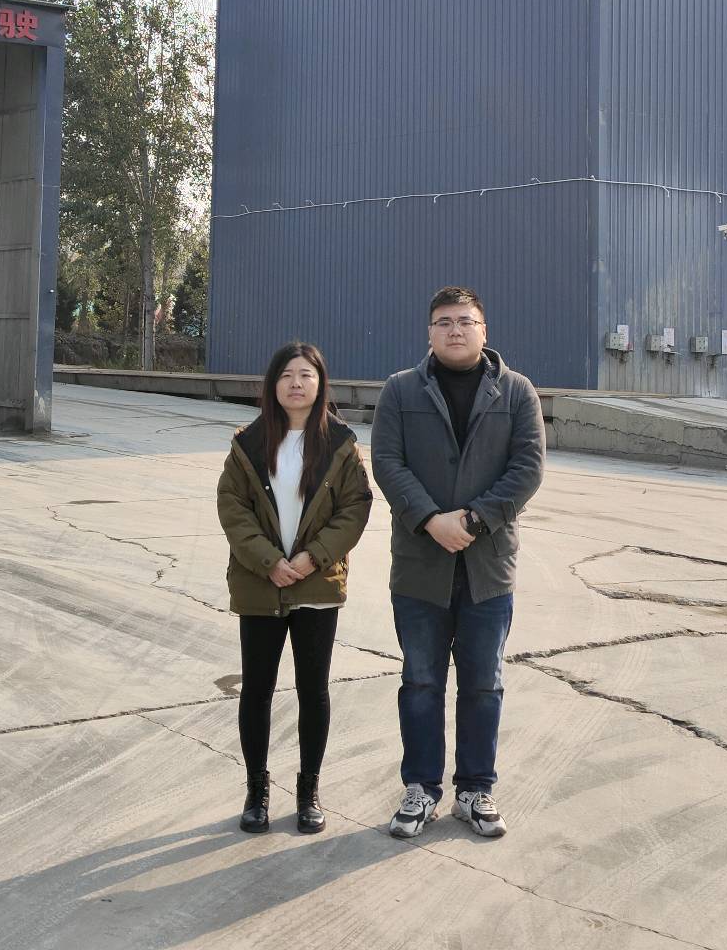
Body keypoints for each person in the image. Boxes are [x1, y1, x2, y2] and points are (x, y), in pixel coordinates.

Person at [371, 286, 545, 839]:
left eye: (465, 321)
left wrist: (473, 520)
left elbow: (527, 468)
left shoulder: (517, 392)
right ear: (429, 332)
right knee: (421, 681)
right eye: (444, 322)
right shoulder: (400, 390)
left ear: (483, 330)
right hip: (420, 566)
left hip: (487, 568)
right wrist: (429, 519)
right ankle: (421, 789)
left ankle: (475, 790)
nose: (455, 330)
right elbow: (387, 462)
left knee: (483, 684)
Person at [217, 341, 372, 834]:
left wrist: (312, 558)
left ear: (320, 383)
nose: (296, 383)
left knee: (313, 690)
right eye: (286, 375)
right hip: (260, 584)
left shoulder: (340, 443)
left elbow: (356, 507)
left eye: (306, 374)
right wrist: (269, 562)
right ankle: (256, 791)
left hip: (316, 586)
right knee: (256, 690)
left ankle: (309, 791)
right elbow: (232, 507)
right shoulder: (249, 443)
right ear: (273, 384)